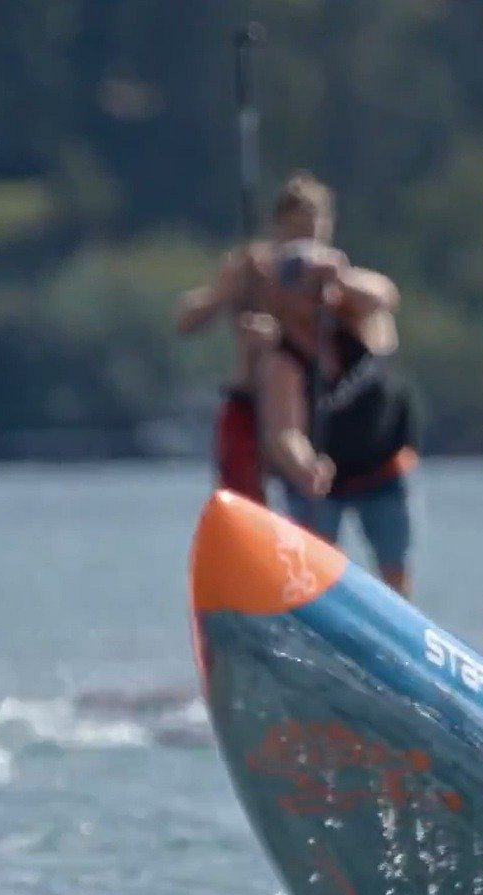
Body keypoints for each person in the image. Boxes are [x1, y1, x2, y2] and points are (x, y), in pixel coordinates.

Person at [250, 239, 419, 596]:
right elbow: (284, 432)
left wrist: (337, 275)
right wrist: (305, 465)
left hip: (381, 468)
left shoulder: (357, 320)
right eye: (306, 289)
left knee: (394, 567)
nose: (317, 298)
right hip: (324, 480)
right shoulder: (284, 360)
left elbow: (385, 295)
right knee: (313, 568)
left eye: (320, 288)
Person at [175, 171, 336, 502]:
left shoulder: (329, 274)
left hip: (307, 406)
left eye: (312, 233)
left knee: (310, 503)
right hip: (249, 403)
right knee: (243, 503)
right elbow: (186, 321)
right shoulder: (251, 266)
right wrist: (227, 292)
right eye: (295, 231)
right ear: (277, 225)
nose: (303, 244)